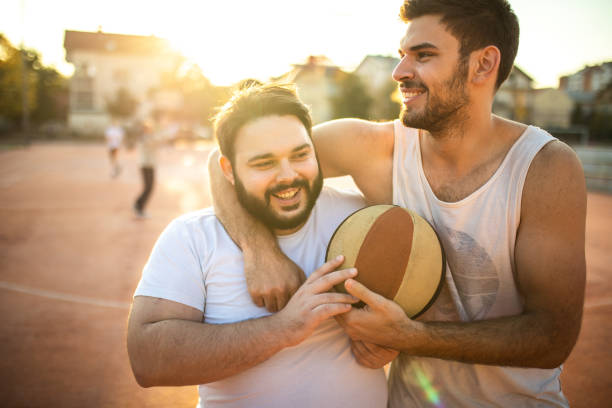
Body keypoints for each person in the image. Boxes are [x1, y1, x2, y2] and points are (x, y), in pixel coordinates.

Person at [207, 1, 587, 406]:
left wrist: (409, 338)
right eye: (403, 54)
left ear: (482, 64)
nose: (400, 71)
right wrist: (259, 248)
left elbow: (551, 337)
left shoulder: (544, 167)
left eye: (423, 55)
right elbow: (224, 160)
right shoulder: (374, 149)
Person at [127, 84, 388, 408]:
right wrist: (283, 328)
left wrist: (391, 341)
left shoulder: (364, 218)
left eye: (300, 155)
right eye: (264, 163)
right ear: (228, 170)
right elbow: (146, 360)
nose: (288, 176)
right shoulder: (192, 238)